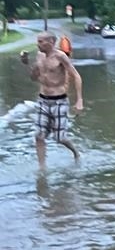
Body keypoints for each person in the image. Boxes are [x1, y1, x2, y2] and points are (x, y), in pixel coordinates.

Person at [20, 31, 84, 168]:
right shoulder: (39, 56)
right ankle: (42, 168)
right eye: (38, 41)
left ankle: (76, 152)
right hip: (43, 100)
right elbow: (34, 77)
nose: (38, 44)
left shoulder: (60, 57)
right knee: (39, 135)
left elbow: (76, 76)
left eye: (41, 41)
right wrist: (25, 64)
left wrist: (79, 100)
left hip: (59, 100)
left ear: (51, 42)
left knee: (60, 138)